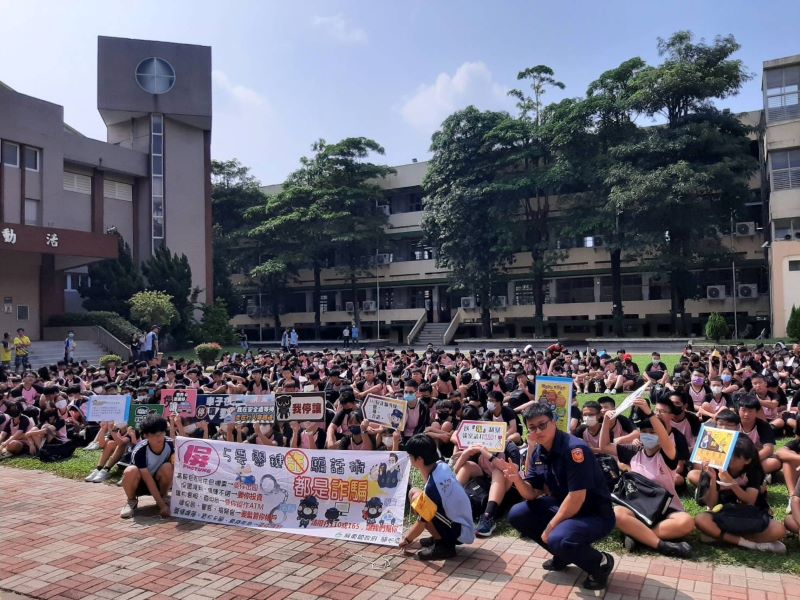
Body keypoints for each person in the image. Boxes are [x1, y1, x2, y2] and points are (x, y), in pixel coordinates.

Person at [497, 404, 616, 591]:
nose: (538, 431)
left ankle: (600, 563)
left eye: (542, 425)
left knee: (557, 537)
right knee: (517, 514)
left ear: (554, 422)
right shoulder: (538, 451)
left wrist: (551, 526)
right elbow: (532, 493)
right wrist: (516, 480)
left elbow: (576, 497)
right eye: (533, 428)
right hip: (564, 506)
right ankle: (564, 554)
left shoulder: (575, 450)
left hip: (594, 513)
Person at [599, 396, 694, 558]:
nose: (648, 435)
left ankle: (639, 535)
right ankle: (660, 544)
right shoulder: (633, 452)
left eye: (653, 432)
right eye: (644, 432)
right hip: (637, 507)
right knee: (618, 513)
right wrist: (606, 422)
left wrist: (650, 414)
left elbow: (665, 439)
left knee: (687, 522)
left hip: (665, 508)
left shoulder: (668, 455)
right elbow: (604, 446)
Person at [695, 436, 786, 554]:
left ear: (747, 460)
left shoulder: (754, 471)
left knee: (779, 530)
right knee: (700, 519)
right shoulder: (714, 468)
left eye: (735, 457)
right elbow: (712, 505)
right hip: (724, 515)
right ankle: (750, 544)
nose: (729, 459)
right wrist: (712, 480)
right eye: (728, 455)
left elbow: (749, 501)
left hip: (749, 516)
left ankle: (722, 537)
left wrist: (732, 484)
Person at [399, 434, 475, 560]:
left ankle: (444, 546)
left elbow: (421, 523)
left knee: (421, 505)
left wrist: (407, 540)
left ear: (419, 459)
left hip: (460, 532)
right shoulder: (441, 465)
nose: (409, 459)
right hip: (462, 524)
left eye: (410, 456)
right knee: (414, 493)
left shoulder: (433, 487)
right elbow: (427, 484)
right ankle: (439, 536)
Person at [119, 415, 174, 519]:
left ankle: (164, 496)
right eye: (154, 434)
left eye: (161, 433)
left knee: (168, 467)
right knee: (130, 470)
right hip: (140, 484)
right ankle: (131, 501)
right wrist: (162, 506)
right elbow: (147, 479)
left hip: (159, 482)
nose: (159, 438)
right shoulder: (140, 450)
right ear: (145, 435)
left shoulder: (171, 444)